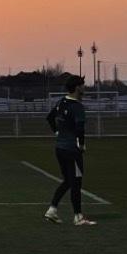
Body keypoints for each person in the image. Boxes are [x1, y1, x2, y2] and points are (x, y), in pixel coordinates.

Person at [44, 78, 95, 227]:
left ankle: (52, 210)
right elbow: (80, 129)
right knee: (76, 183)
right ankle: (78, 217)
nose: (84, 89)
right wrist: (82, 145)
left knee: (68, 181)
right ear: (77, 88)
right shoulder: (77, 106)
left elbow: (49, 118)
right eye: (82, 86)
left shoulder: (61, 102)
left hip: (59, 149)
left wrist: (57, 132)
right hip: (72, 150)